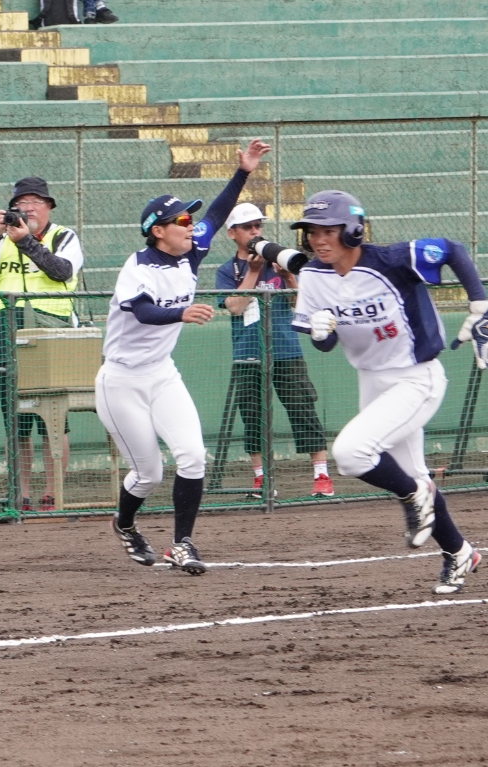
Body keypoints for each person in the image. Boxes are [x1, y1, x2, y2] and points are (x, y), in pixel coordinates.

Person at [296, 190, 488, 594]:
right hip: (372, 379)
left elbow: (451, 249)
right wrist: (320, 333)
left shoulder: (391, 260)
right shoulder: (314, 276)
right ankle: (459, 552)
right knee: (414, 474)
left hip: (416, 377)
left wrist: (479, 305)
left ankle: (414, 496)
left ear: (353, 229)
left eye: (328, 230)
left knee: (350, 454)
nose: (318, 239)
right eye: (312, 231)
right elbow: (325, 345)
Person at [101, 139, 269, 575]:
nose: (189, 225)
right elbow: (142, 311)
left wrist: (243, 172)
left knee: (193, 456)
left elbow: (215, 214)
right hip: (120, 380)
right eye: (180, 219)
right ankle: (124, 523)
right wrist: (181, 312)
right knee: (149, 474)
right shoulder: (136, 267)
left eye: (187, 218)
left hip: (161, 374)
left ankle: (182, 544)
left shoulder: (191, 249)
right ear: (158, 229)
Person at [0, 175, 83, 510]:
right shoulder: (2, 239)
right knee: (16, 417)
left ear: (48, 207)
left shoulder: (63, 236)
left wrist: (28, 241)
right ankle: (21, 494)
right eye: (22, 203)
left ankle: (52, 491)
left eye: (36, 202)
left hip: (51, 328)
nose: (28, 208)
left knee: (54, 416)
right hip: (9, 325)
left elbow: (61, 271)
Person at [213, 202, 331, 499]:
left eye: (258, 226)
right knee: (253, 416)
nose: (255, 232)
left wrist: (289, 276)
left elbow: (303, 307)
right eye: (248, 227)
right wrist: (252, 273)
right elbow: (236, 307)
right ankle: (261, 479)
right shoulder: (227, 271)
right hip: (248, 354)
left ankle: (321, 476)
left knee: (303, 410)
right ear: (232, 233)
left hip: (286, 350)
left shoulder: (279, 261)